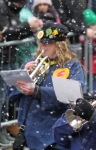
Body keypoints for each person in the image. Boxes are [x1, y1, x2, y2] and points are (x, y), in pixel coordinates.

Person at [6, 21, 85, 150]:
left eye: (47, 43)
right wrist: (21, 74)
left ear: (60, 45)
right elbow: (12, 95)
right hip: (29, 132)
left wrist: (38, 91)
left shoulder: (72, 66)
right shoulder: (31, 62)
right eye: (40, 42)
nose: (42, 46)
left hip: (54, 134)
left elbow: (74, 96)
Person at [0, 0, 43, 146]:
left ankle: (2, 131)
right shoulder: (2, 7)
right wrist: (27, 27)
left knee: (5, 99)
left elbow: (12, 33)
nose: (20, 6)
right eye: (19, 4)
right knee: (1, 99)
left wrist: (32, 29)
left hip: (9, 57)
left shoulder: (13, 9)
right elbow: (6, 32)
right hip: (3, 58)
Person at [82, 9, 96, 93]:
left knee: (93, 81)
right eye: (93, 24)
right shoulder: (84, 37)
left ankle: (92, 94)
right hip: (86, 64)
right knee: (86, 82)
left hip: (93, 64)